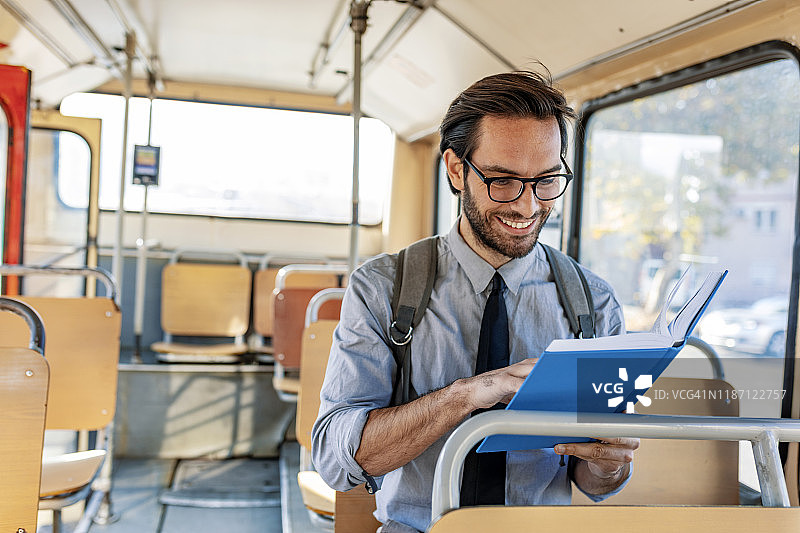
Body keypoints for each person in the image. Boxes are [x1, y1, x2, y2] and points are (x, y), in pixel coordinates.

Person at [312, 70, 638, 533]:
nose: (527, 207)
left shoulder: (594, 302)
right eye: (503, 181)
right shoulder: (383, 288)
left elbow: (597, 482)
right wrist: (464, 397)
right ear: (455, 169)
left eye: (546, 180)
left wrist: (609, 464)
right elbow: (334, 460)